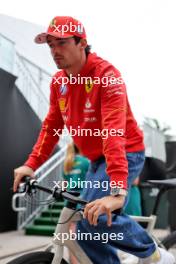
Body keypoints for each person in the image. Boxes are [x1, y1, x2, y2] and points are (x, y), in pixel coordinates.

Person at [13, 16, 175, 264]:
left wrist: (117, 192)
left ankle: (155, 254)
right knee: (84, 223)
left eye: (62, 43)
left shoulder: (106, 75)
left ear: (82, 43)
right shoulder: (59, 82)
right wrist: (31, 164)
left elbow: (113, 132)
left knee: (97, 215)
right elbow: (51, 127)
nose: (55, 51)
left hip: (126, 152)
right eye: (51, 45)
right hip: (96, 160)